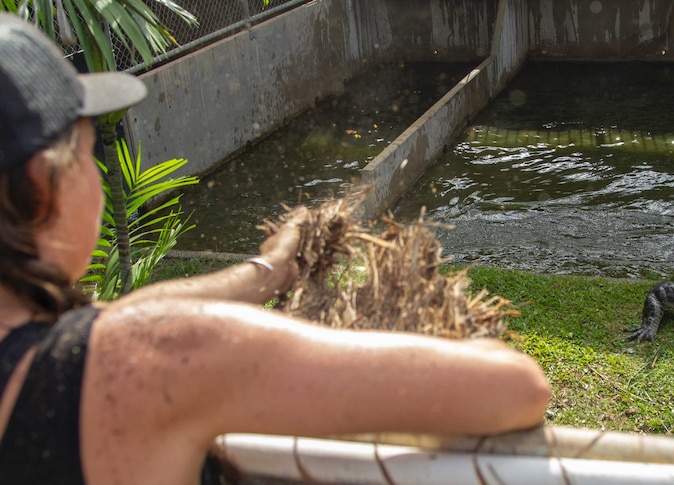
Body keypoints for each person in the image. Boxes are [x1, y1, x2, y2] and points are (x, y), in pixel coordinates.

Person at [0, 13, 550, 485]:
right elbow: (513, 388)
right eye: (92, 156)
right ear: (46, 183)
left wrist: (268, 272)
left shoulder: (69, 348)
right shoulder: (148, 358)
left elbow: (115, 323)